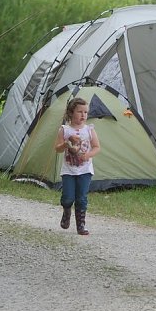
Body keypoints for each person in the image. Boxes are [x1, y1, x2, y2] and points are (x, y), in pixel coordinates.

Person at [54, 97, 100, 235]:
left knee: (82, 197)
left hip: (85, 170)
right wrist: (66, 143)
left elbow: (97, 147)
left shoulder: (89, 130)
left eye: (86, 112)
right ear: (71, 112)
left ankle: (81, 224)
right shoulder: (65, 130)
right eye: (80, 112)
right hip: (69, 170)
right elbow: (57, 148)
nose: (83, 115)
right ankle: (66, 211)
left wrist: (88, 155)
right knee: (68, 197)